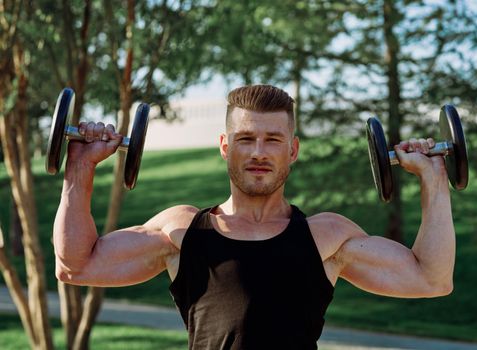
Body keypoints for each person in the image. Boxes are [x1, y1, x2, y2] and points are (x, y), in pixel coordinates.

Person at [53, 84, 455, 350]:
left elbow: (431, 278)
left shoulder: (326, 237)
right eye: (246, 139)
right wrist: (80, 169)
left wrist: (433, 178)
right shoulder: (183, 231)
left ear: (292, 150)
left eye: (273, 140)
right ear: (225, 147)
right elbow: (75, 264)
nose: (259, 152)